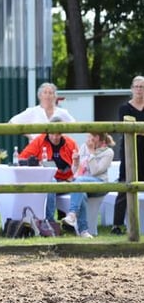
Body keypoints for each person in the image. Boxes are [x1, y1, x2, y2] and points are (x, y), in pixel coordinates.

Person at [18, 115, 77, 222]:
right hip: (46, 180)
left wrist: (72, 178)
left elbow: (79, 166)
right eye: (52, 133)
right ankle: (50, 221)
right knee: (51, 180)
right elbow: (22, 158)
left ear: (62, 133)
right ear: (48, 131)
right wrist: (35, 163)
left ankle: (75, 222)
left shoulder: (70, 144)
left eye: (58, 133)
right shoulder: (39, 140)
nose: (55, 137)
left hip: (67, 181)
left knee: (79, 183)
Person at [62, 132, 115, 238]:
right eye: (88, 137)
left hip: (100, 183)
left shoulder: (108, 152)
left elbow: (95, 171)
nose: (88, 140)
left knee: (79, 182)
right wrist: (75, 162)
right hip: (82, 183)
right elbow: (75, 172)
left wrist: (91, 152)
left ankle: (72, 213)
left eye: (90, 137)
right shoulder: (83, 147)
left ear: (98, 139)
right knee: (82, 192)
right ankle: (84, 231)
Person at [110, 75, 144, 235]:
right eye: (136, 86)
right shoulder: (124, 108)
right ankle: (116, 224)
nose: (139, 90)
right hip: (130, 153)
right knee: (125, 186)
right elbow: (126, 131)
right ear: (131, 89)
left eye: (142, 87)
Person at [9, 82, 75, 140]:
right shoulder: (32, 111)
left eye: (50, 93)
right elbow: (12, 122)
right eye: (45, 92)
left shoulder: (62, 112)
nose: (47, 95)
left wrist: (62, 135)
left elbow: (74, 125)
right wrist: (31, 136)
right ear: (40, 96)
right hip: (37, 149)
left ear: (55, 96)